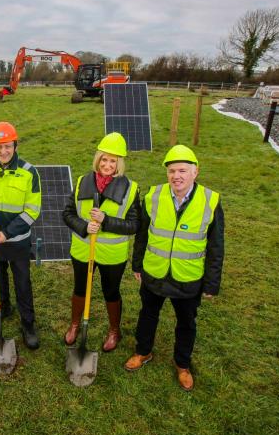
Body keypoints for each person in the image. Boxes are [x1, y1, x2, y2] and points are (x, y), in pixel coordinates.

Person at [124, 145, 224, 391]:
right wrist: (137, 264)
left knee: (186, 322)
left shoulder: (210, 201)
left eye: (182, 170)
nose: (176, 176)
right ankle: (143, 352)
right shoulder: (154, 196)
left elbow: (216, 245)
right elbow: (142, 234)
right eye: (171, 171)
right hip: (155, 272)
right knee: (148, 314)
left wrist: (212, 282)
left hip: (188, 277)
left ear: (195, 172)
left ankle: (182, 364)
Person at [62, 132, 140, 352]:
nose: (107, 165)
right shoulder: (82, 182)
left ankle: (114, 330)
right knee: (80, 288)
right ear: (98, 159)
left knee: (111, 291)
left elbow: (134, 225)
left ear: (119, 163)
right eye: (104, 159)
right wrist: (84, 226)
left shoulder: (130, 189)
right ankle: (75, 324)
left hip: (112, 255)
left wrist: (106, 221)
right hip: (82, 249)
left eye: (112, 161)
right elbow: (67, 214)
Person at [0, 122, 42, 349]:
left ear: (15, 145)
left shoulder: (29, 172)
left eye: (8, 146)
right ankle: (2, 308)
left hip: (17, 241)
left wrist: (8, 232)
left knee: (22, 281)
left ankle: (28, 323)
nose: (3, 152)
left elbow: (33, 210)